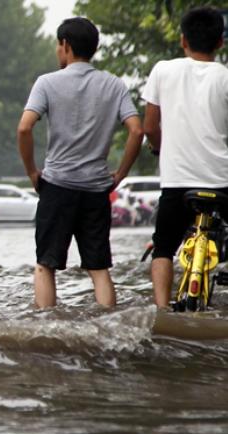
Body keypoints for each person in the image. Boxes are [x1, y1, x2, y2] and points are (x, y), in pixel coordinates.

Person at [17, 17, 143, 308]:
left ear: (66, 46)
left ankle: (47, 332)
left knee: (45, 265)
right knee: (99, 268)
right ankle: (110, 331)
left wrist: (32, 172)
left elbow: (24, 128)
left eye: (58, 46)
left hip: (57, 186)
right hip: (97, 189)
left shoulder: (47, 83)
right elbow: (137, 130)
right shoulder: (114, 85)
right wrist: (120, 174)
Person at [142, 7, 228, 309]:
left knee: (163, 249)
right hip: (222, 181)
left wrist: (159, 148)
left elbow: (150, 127)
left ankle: (163, 312)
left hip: (177, 183)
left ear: (182, 40)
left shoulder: (163, 71)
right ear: (220, 42)